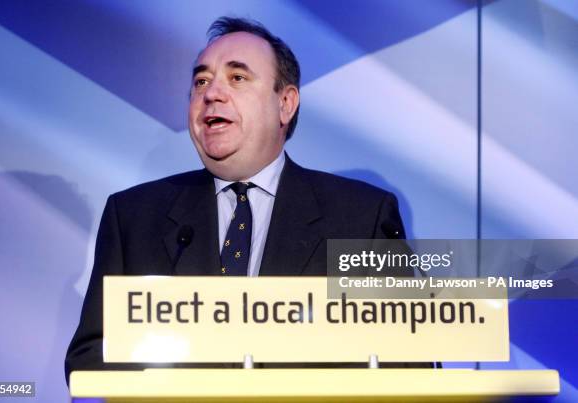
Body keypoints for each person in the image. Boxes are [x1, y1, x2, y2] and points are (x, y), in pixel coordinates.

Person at [65, 16, 412, 382]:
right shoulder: (134, 217)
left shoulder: (363, 218)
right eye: (201, 81)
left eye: (237, 78)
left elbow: (406, 359)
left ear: (286, 103)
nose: (211, 94)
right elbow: (91, 358)